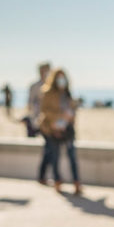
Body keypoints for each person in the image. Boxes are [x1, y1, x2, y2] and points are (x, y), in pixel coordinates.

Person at [38, 68, 82, 196]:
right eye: (59, 77)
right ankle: (57, 181)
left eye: (63, 77)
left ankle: (77, 182)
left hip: (67, 129)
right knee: (55, 157)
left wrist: (71, 117)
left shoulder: (67, 92)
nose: (61, 81)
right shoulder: (47, 92)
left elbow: (72, 109)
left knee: (72, 156)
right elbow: (44, 111)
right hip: (52, 129)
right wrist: (60, 116)